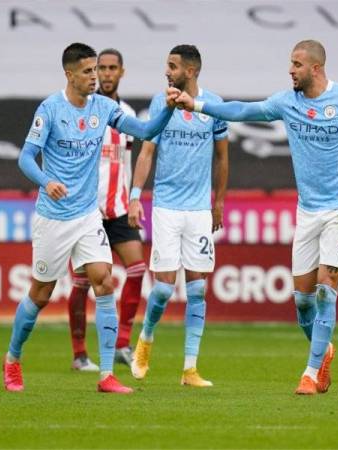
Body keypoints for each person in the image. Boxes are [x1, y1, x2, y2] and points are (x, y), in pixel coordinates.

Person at [174, 40, 338, 395]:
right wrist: (196, 104)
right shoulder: (287, 103)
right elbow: (243, 111)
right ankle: (324, 349)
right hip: (308, 211)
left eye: (296, 64)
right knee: (302, 302)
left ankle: (310, 372)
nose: (290, 70)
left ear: (315, 68)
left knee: (324, 291)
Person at [2, 42, 179, 394]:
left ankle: (107, 375)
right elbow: (25, 158)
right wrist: (45, 181)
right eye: (87, 71)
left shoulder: (104, 107)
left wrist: (169, 110)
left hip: (87, 217)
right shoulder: (50, 109)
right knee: (41, 293)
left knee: (104, 281)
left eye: (96, 70)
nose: (95, 77)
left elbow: (143, 131)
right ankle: (13, 358)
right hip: (53, 217)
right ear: (69, 74)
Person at [129, 45, 229, 387]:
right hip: (167, 206)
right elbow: (147, 152)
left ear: (191, 71)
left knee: (198, 289)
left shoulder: (212, 105)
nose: (166, 72)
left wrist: (218, 203)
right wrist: (134, 196)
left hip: (200, 209)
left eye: (172, 66)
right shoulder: (161, 103)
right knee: (163, 289)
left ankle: (190, 369)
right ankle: (146, 337)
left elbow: (222, 157)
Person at [67, 48, 146, 371]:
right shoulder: (85, 110)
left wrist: (132, 198)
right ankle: (79, 353)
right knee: (83, 283)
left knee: (138, 269)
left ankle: (122, 343)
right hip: (88, 211)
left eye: (113, 68)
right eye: (102, 68)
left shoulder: (125, 113)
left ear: (122, 72)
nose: (107, 73)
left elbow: (125, 160)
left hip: (118, 209)